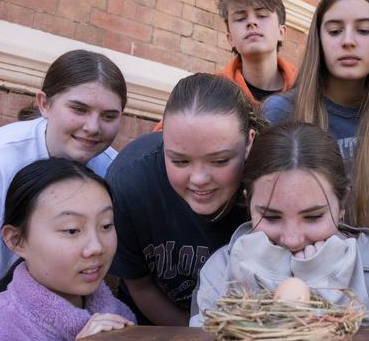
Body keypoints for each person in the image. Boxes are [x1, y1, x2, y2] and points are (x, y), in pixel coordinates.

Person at [190, 123, 369, 328]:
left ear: (342, 204)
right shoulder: (220, 271)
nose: (293, 238)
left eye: (313, 217)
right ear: (248, 202)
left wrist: (324, 290)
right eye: (272, 217)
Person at [261, 0, 369, 265]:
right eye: (334, 31)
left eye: (364, 30)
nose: (348, 41)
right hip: (302, 271)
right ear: (318, 39)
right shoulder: (282, 111)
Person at [107, 73, 264, 326]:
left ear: (248, 143)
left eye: (219, 160)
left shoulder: (269, 185)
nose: (199, 179)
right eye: (179, 160)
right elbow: (140, 285)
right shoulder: (130, 182)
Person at [0, 49, 127, 307]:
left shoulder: (115, 170)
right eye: (79, 109)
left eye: (109, 116)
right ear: (44, 104)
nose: (93, 127)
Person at [0, 158, 135, 340]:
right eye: (72, 230)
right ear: (17, 240)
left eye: (106, 225)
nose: (96, 247)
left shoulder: (120, 316)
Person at [151, 0, 297, 132]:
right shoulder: (207, 91)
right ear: (230, 39)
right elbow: (161, 139)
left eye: (261, 15)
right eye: (240, 18)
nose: (251, 23)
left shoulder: (307, 90)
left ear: (282, 32)